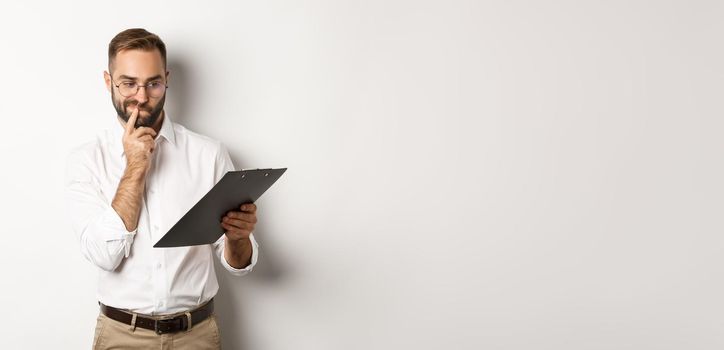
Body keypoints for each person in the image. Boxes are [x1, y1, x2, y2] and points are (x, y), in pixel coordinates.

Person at [65, 28, 259, 350]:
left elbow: (237, 263)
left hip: (196, 335)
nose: (141, 97)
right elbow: (104, 255)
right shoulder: (87, 160)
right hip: (120, 336)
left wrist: (238, 239)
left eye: (153, 83)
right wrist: (135, 167)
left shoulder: (208, 154)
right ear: (107, 80)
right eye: (128, 83)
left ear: (166, 79)